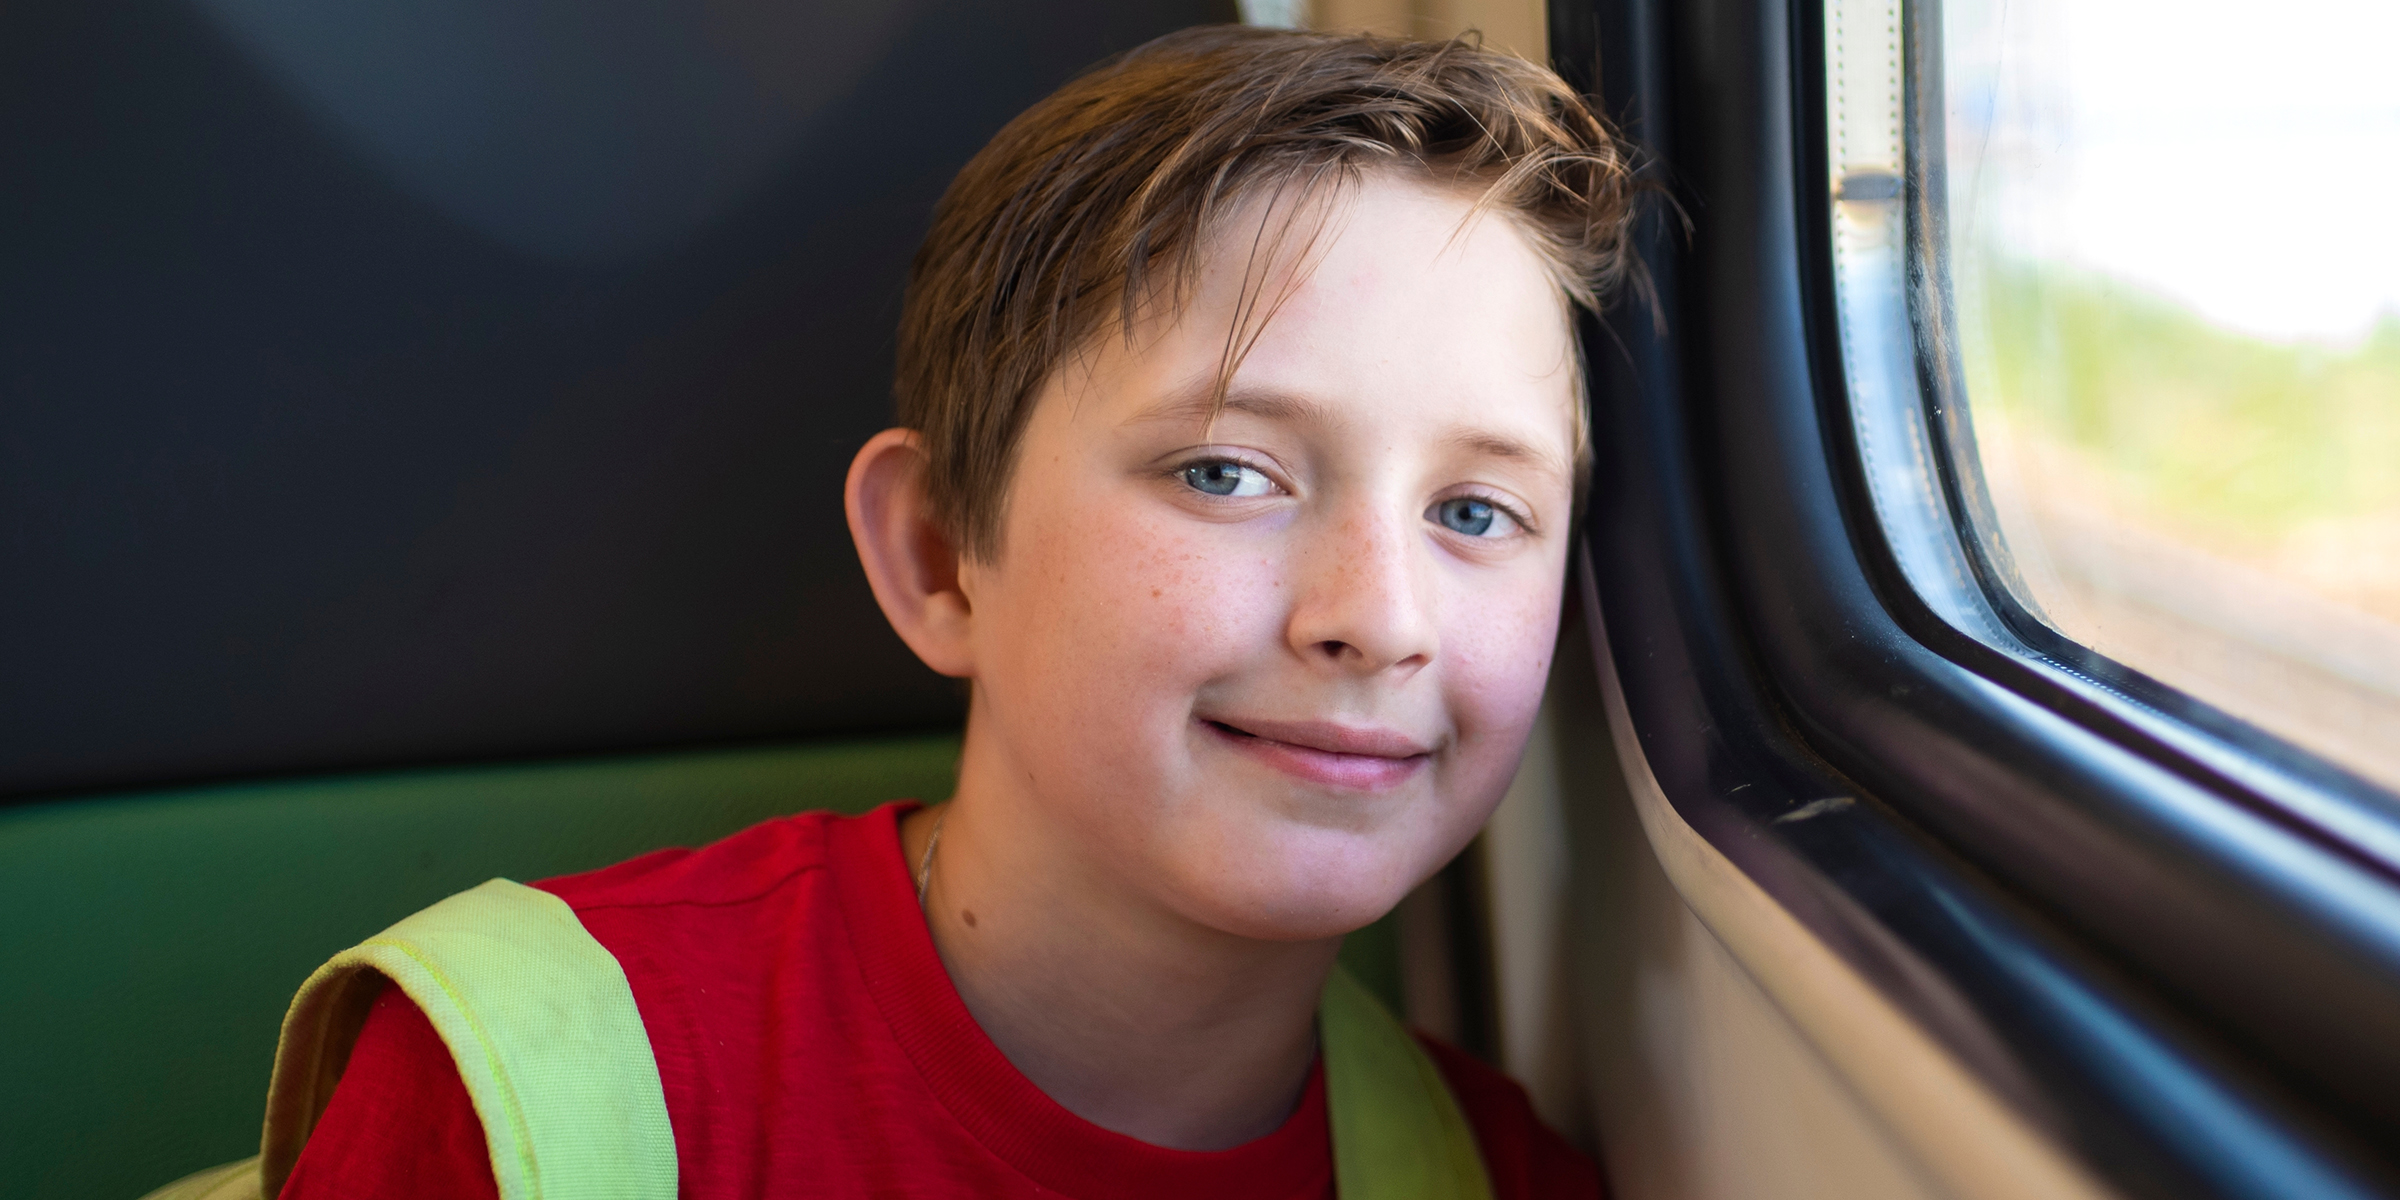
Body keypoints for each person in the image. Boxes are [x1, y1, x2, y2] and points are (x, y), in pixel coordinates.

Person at [276, 24, 1635, 1199]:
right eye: (1225, 473)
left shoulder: (1501, 1173)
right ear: (939, 555)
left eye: (1474, 512)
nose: (1379, 617)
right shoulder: (519, 1097)